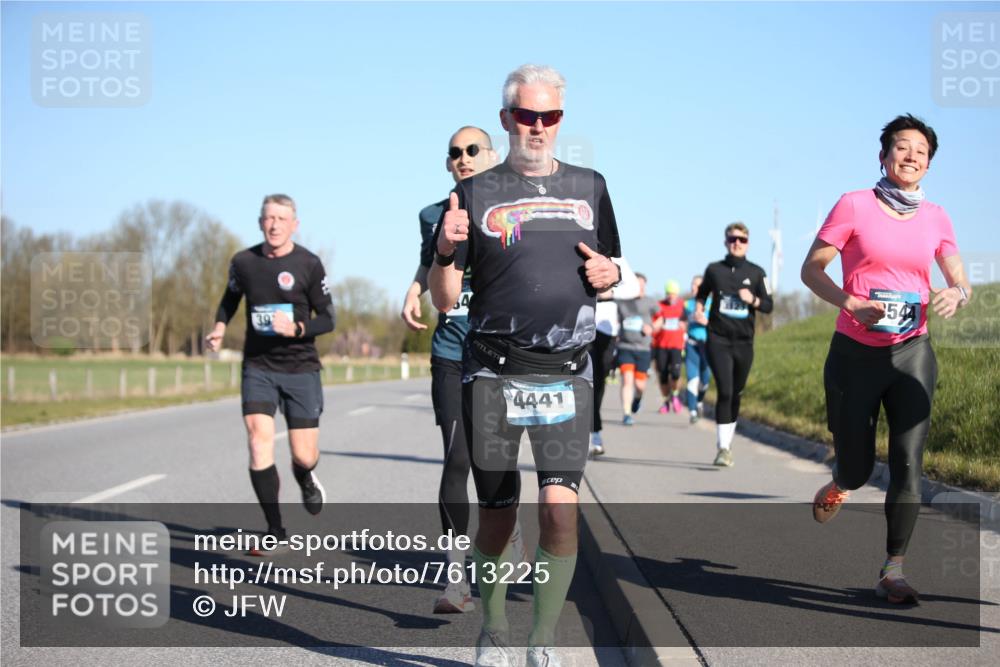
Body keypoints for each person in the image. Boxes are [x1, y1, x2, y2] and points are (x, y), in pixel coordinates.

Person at [429, 64, 621, 667]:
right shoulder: (475, 194)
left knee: (560, 510)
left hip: (567, 371)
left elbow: (612, 265)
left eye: (551, 116)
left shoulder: (591, 186)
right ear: (506, 118)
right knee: (498, 516)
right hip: (492, 371)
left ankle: (542, 640)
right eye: (527, 115)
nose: (538, 126)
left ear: (561, 119)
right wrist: (442, 247)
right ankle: (493, 630)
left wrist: (611, 274)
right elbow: (442, 296)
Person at [801, 114, 970, 604]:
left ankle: (893, 569)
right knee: (856, 467)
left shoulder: (937, 216)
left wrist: (957, 292)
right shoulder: (854, 204)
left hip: (913, 351)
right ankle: (841, 481)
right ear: (884, 156)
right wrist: (849, 301)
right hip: (855, 353)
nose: (911, 155)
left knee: (908, 462)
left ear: (929, 163)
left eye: (921, 150)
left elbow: (957, 276)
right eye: (901, 147)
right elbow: (812, 270)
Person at [399, 126, 526, 614]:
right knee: (456, 459)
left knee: (495, 462)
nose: (464, 158)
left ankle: (508, 526)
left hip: (505, 356)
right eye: (455, 153)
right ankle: (456, 579)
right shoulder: (432, 215)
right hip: (453, 351)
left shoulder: (514, 211)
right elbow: (431, 262)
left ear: (493, 156)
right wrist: (415, 287)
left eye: (474, 150)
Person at [206, 194, 336, 553]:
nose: (275, 224)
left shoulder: (308, 263)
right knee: (257, 437)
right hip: (258, 366)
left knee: (304, 454)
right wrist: (219, 326)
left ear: (295, 223)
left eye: (282, 218)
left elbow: (328, 318)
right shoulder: (244, 262)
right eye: (269, 218)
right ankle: (275, 529)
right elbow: (230, 298)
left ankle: (305, 476)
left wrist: (295, 328)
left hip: (300, 368)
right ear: (260, 222)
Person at [695, 222, 773, 467]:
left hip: (744, 342)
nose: (737, 243)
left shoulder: (757, 272)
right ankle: (723, 447)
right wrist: (699, 310)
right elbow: (702, 294)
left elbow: (769, 306)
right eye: (732, 239)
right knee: (725, 391)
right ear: (725, 242)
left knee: (736, 392)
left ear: (748, 243)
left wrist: (754, 300)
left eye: (741, 239)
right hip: (718, 338)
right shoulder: (714, 270)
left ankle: (728, 442)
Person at [589, 257, 639, 455]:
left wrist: (611, 291)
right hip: (575, 325)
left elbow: (634, 288)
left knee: (597, 383)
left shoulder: (611, 253)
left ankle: (595, 432)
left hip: (604, 329)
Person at [616, 273, 658, 426]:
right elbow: (614, 318)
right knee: (627, 380)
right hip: (625, 346)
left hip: (643, 349)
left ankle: (638, 399)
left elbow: (660, 319)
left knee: (640, 386)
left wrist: (652, 327)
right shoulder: (621, 302)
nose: (639, 287)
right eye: (636, 284)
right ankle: (627, 414)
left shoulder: (650, 302)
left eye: (642, 284)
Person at [651, 279, 686, 415]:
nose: (671, 296)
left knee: (676, 374)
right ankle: (666, 401)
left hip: (677, 346)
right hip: (661, 346)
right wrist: (657, 325)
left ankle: (675, 395)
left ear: (677, 294)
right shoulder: (659, 306)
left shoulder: (683, 306)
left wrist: (685, 326)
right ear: (666, 294)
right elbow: (654, 326)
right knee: (663, 376)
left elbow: (689, 321)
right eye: (669, 293)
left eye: (674, 294)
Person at [683, 275, 712, 423]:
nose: (694, 288)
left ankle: (700, 401)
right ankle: (693, 411)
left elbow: (721, 325)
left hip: (708, 347)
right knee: (692, 379)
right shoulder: (687, 305)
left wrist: (707, 322)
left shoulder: (713, 304)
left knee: (705, 380)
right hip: (692, 345)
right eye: (692, 285)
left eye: (698, 285)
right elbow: (681, 323)